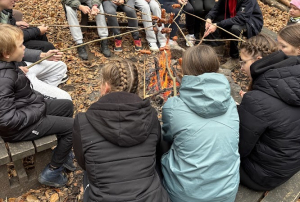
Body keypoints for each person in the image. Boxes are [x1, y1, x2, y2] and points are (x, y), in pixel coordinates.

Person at [73, 59, 170, 202]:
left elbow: (83, 163)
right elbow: (158, 153)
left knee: (89, 173)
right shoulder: (151, 116)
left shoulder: (83, 121)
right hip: (152, 199)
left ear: (106, 87)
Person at [161, 45, 239, 202]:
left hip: (185, 196)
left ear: (185, 70)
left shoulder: (173, 106)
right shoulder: (230, 102)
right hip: (226, 193)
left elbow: (167, 138)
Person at [0, 24, 74, 188]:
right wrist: (38, 109)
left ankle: (63, 153)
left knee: (67, 106)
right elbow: (6, 121)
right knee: (73, 127)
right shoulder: (3, 78)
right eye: (20, 45)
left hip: (26, 111)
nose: (24, 47)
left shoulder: (10, 65)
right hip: (18, 129)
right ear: (6, 54)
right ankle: (52, 172)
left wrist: (36, 102)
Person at [238, 34, 300, 191]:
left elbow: (238, 149)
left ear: (258, 60)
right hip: (288, 165)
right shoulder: (292, 78)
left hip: (261, 176)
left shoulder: (257, 100)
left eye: (243, 62)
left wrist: (247, 108)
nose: (240, 67)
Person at [0, 0, 70, 100]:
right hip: (13, 75)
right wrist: (17, 71)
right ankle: (34, 97)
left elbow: (16, 46)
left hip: (19, 66)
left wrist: (42, 56)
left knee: (60, 67)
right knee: (66, 99)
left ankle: (40, 96)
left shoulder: (5, 12)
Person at [204, 0, 263, 70]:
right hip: (234, 15)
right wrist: (209, 18)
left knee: (235, 28)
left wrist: (217, 25)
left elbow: (241, 18)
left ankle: (235, 58)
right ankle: (218, 45)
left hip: (251, 21)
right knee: (215, 18)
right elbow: (217, 7)